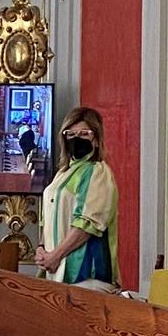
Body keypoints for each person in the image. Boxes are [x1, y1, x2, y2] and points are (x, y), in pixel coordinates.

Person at [35, 106, 119, 285]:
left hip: (84, 271)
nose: (76, 139)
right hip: (54, 267)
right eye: (70, 134)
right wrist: (41, 248)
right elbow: (48, 217)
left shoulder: (97, 172)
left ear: (96, 139)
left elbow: (86, 224)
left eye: (83, 134)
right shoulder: (63, 173)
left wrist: (56, 256)